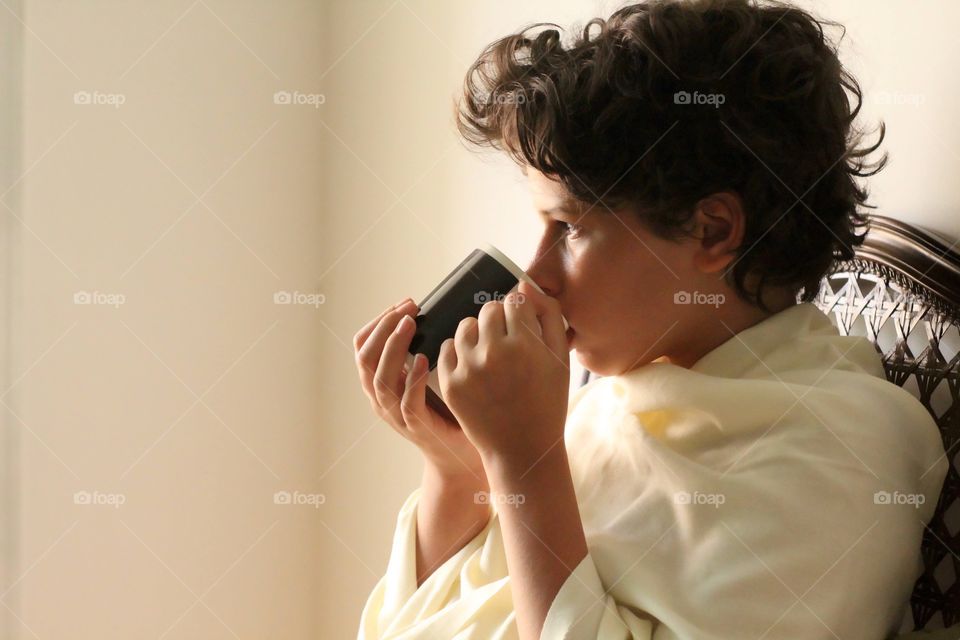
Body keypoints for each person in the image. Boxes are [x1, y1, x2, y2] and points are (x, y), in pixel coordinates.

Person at [353, 0, 948, 638]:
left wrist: (526, 464)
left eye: (571, 228)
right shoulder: (621, 398)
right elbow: (436, 615)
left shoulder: (834, 459)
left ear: (712, 230)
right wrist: (460, 466)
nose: (537, 276)